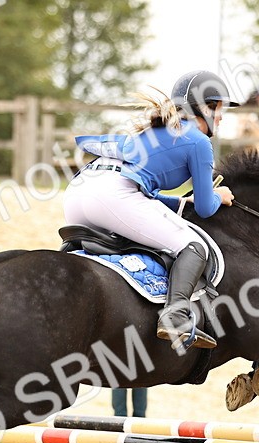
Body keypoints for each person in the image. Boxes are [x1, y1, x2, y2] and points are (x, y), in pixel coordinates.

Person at [64, 69, 237, 351]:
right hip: (112, 195)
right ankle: (176, 315)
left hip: (77, 193)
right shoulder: (199, 141)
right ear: (203, 107)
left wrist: (181, 203)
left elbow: (146, 194)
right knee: (193, 246)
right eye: (219, 108)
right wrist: (219, 195)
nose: (221, 117)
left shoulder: (158, 132)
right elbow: (206, 209)